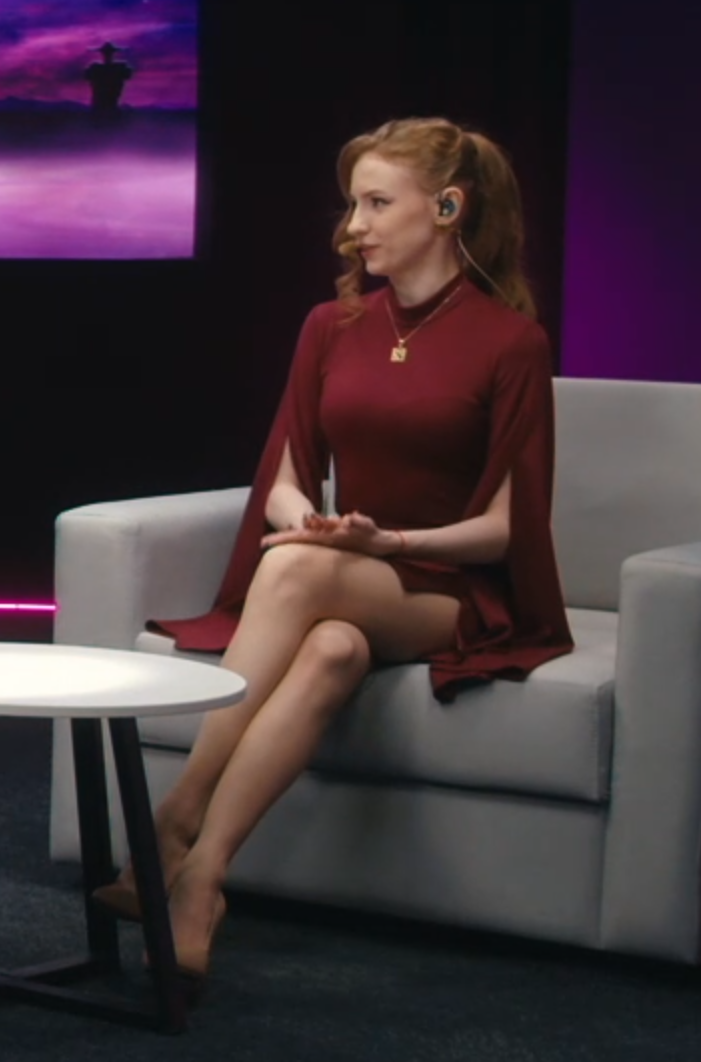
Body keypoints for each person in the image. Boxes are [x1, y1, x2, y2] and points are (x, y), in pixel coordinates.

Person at [93, 116, 574, 980]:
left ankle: (173, 819)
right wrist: (315, 526)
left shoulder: (512, 342)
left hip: (450, 591)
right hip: (344, 576)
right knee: (331, 649)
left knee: (293, 567)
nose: (353, 226)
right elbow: (283, 482)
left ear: (448, 208)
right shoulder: (330, 324)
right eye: (353, 203)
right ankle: (202, 878)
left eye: (377, 203)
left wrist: (388, 540)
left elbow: (507, 528)